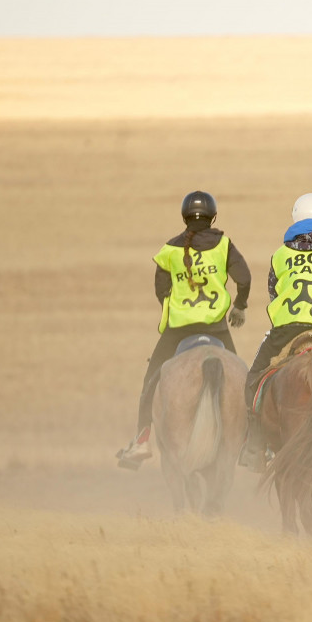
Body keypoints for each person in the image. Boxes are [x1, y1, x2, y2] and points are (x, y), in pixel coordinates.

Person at [117, 191, 251, 468]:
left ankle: (142, 440)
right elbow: (245, 278)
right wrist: (239, 306)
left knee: (151, 380)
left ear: (184, 216)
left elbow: (161, 290)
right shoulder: (224, 245)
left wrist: (177, 308)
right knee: (242, 382)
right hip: (217, 329)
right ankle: (251, 443)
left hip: (178, 329)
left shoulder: (170, 249)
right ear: (213, 217)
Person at [239, 193, 312, 467]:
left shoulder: (280, 255)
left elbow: (274, 293)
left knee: (254, 379)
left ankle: (255, 445)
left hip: (286, 331)